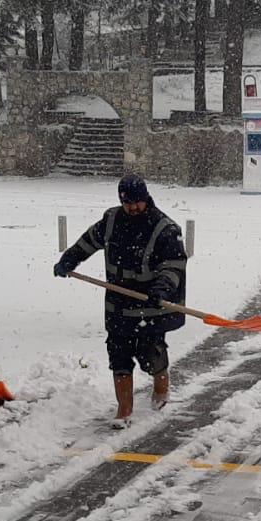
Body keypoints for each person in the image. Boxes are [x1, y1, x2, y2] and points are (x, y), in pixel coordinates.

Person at [54, 174, 188, 428]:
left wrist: (161, 288)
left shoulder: (164, 228)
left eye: (137, 203)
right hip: (118, 303)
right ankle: (124, 410)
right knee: (119, 356)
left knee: (150, 354)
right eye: (128, 203)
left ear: (146, 199)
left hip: (149, 304)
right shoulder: (112, 220)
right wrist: (68, 260)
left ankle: (161, 380)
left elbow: (173, 265)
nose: (133, 208)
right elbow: (88, 242)